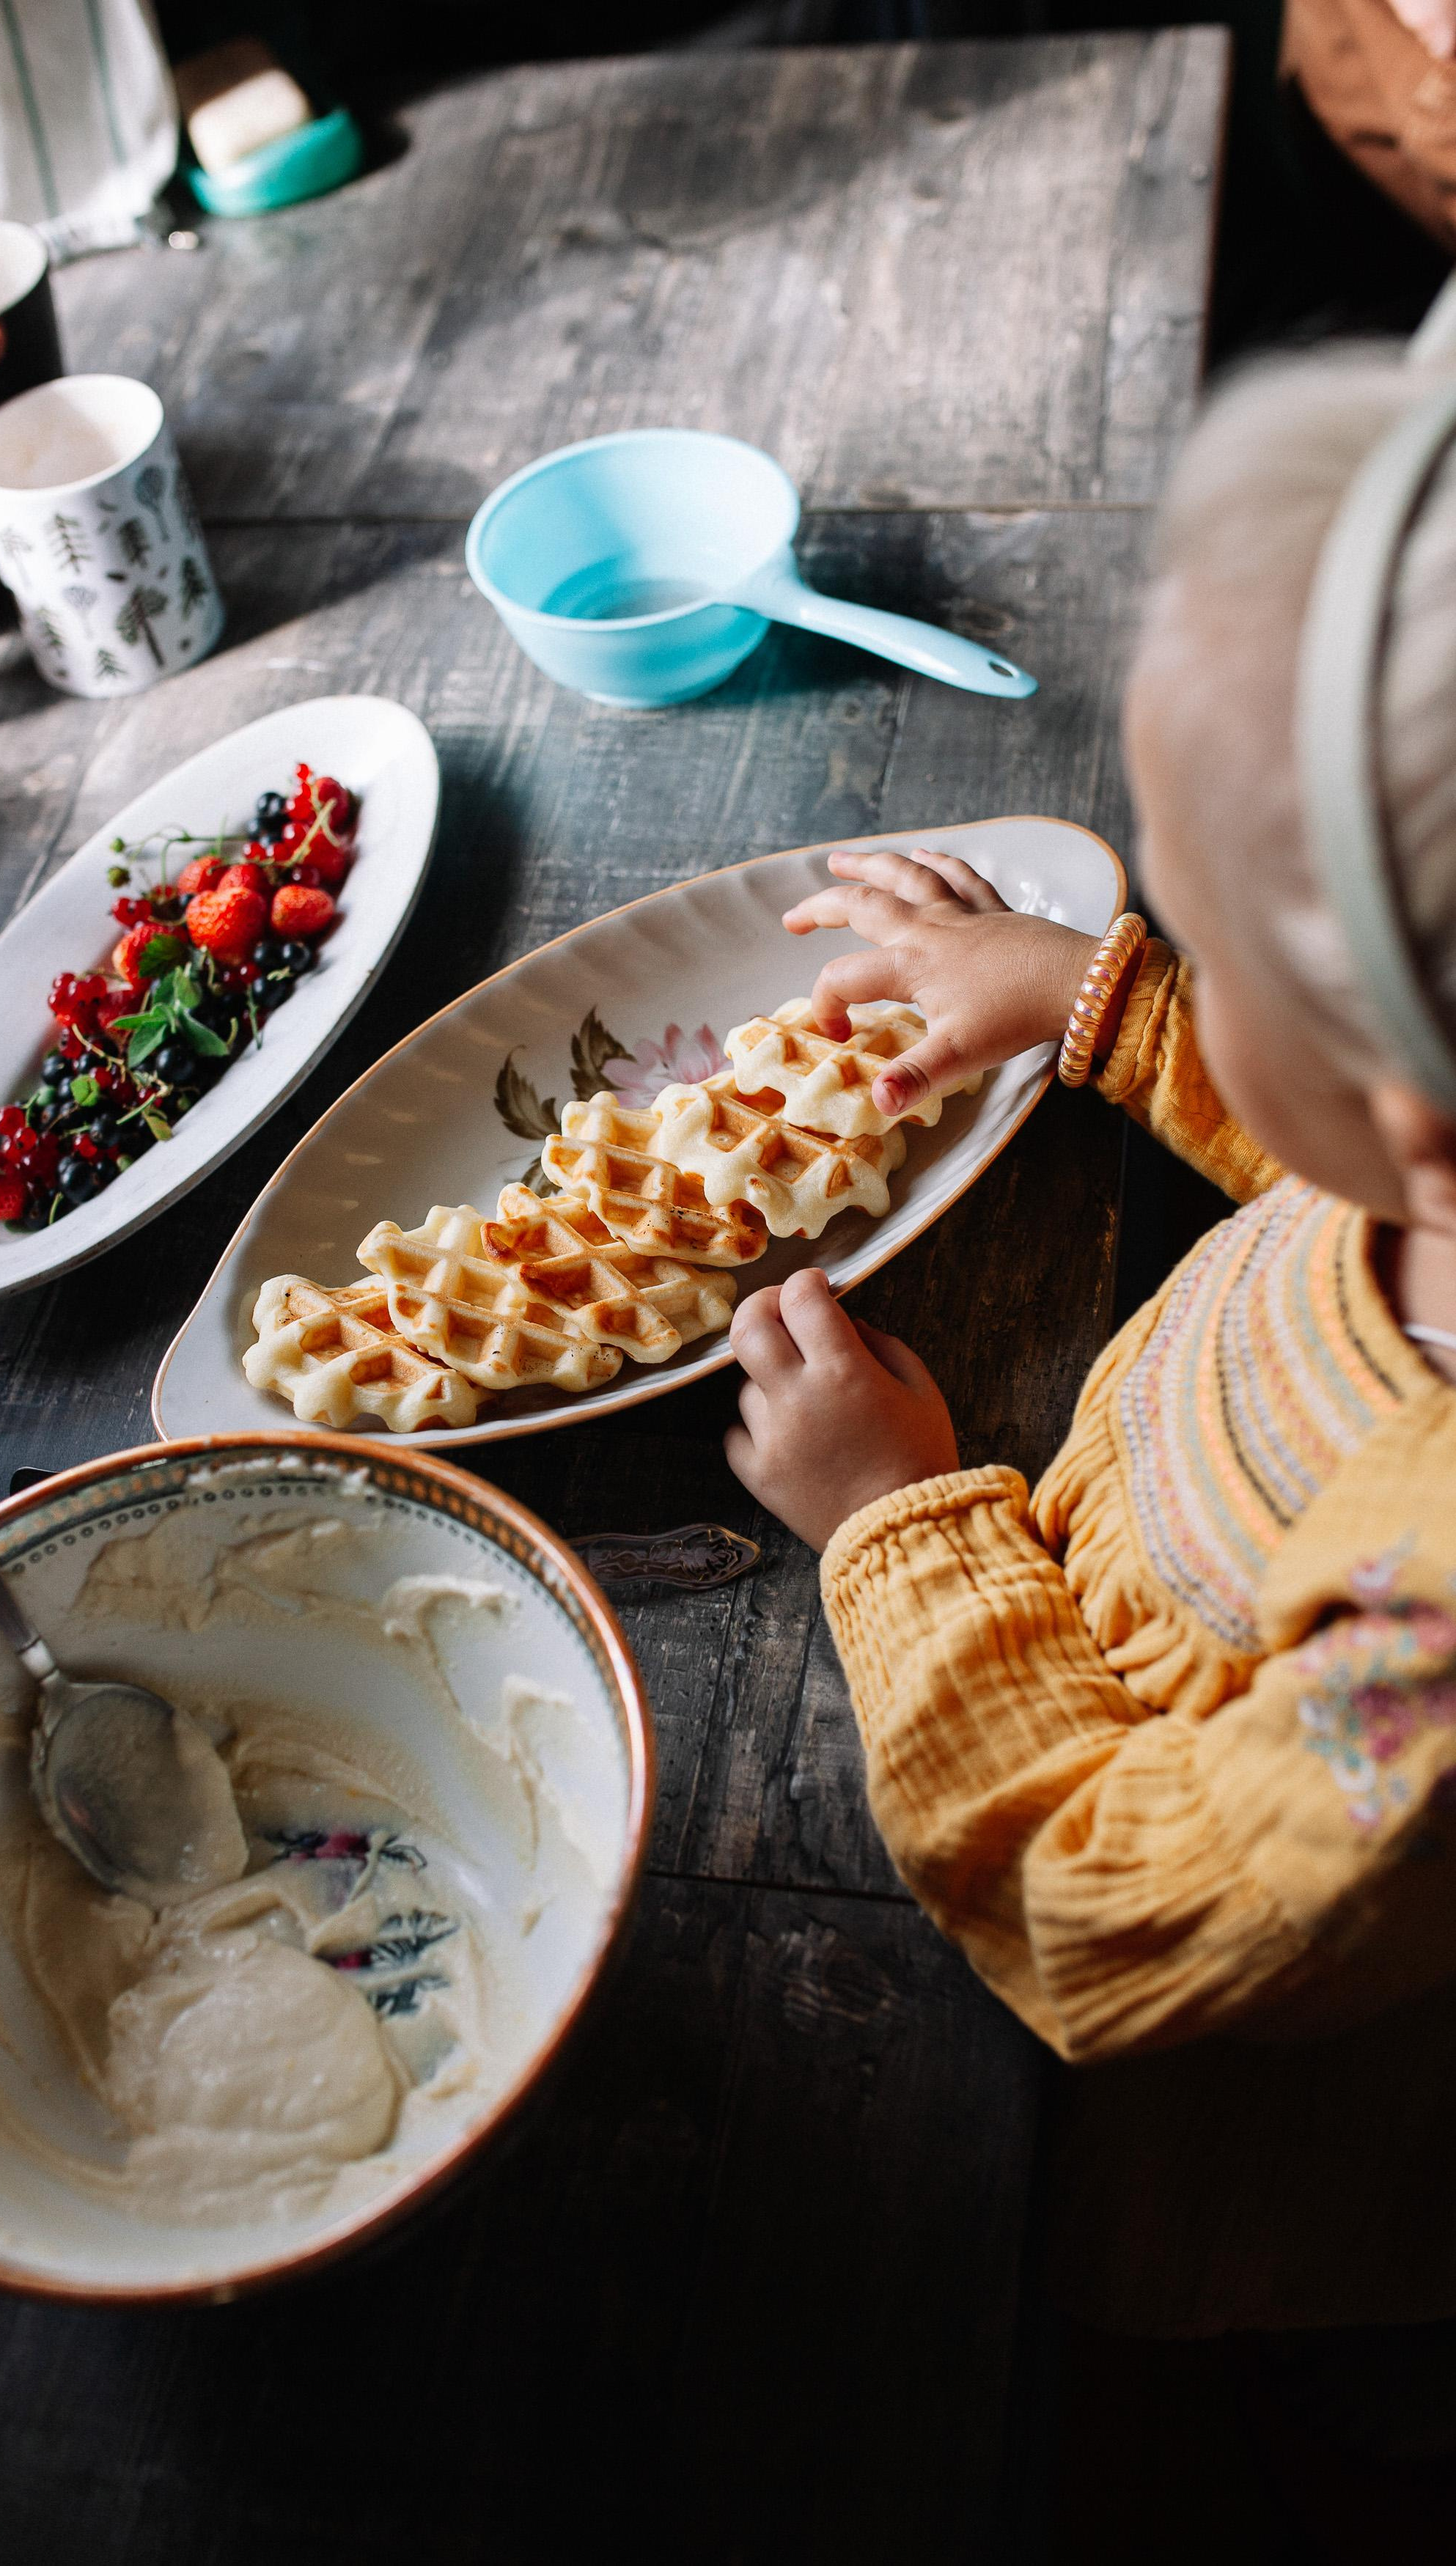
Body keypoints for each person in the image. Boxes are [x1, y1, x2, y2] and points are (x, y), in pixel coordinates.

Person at [724, 345, 1456, 2529]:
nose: (1177, 965)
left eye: (1213, 946)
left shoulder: (1421, 1679)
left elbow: (1121, 1911)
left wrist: (901, 1522)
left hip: (1247, 2045)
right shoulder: (1429, 1167)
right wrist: (1100, 991)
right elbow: (1348, 1177)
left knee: (1266, 2343)